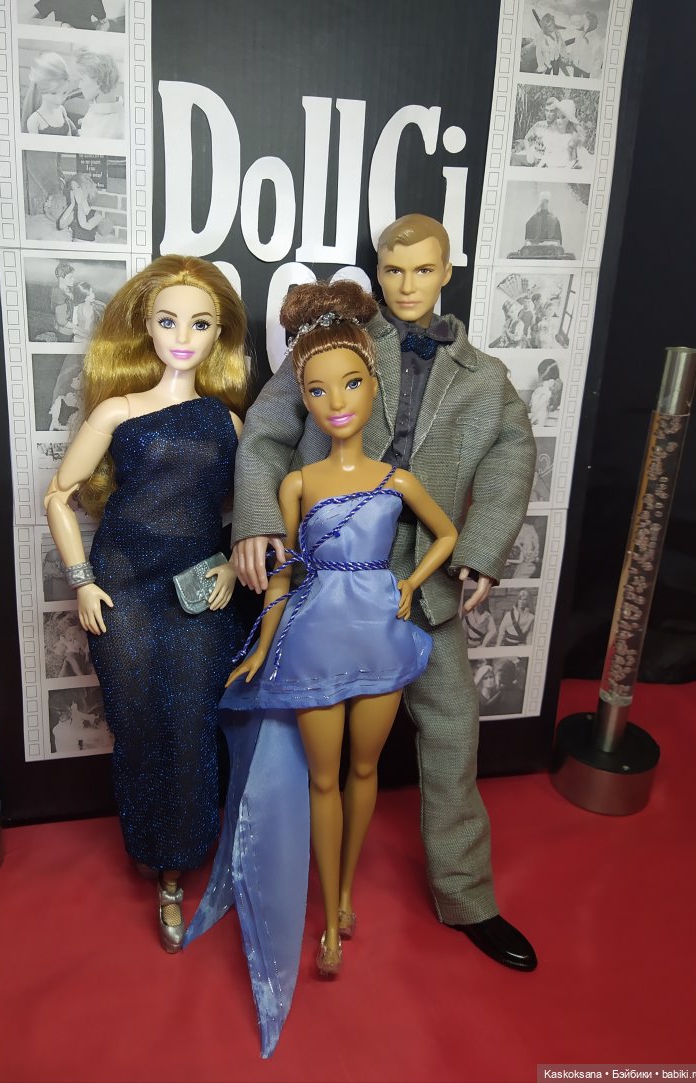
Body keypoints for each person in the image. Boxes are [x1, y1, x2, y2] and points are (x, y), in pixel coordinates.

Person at [228, 213, 538, 974]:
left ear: (447, 273)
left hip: (421, 586)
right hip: (329, 583)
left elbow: (512, 455)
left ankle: (467, 895)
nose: (406, 285)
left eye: (423, 270)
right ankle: (283, 883)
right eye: (393, 270)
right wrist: (259, 521)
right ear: (378, 272)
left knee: (454, 727)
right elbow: (265, 433)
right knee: (306, 749)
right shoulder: (342, 342)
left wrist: (481, 552)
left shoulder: (485, 378)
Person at [187, 279, 456, 1055]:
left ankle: (341, 895)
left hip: (379, 635)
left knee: (365, 769)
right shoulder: (297, 482)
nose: (336, 402)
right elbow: (283, 576)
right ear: (302, 394)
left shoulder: (397, 480)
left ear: (373, 386)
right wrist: (262, 646)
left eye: (350, 384)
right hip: (314, 638)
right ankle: (328, 916)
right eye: (317, 389)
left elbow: (444, 534)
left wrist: (410, 582)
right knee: (324, 778)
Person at [43, 255, 250, 953]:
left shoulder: (228, 421)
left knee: (191, 724)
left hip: (200, 589)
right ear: (147, 329)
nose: (183, 337)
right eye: (168, 321)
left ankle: (177, 867)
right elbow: (58, 495)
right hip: (123, 586)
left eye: (200, 323)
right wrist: (82, 579)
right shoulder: (119, 410)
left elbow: (255, 509)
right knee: (137, 723)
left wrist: (233, 561)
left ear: (219, 332)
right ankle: (150, 846)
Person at [21, 52, 76, 136]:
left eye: (64, 92)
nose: (60, 100)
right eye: (53, 93)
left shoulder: (62, 110)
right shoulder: (34, 120)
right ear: (40, 89)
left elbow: (70, 137)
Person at [72, 48, 124, 139]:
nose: (79, 85)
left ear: (98, 81)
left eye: (81, 79)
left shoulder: (100, 132)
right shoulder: (115, 109)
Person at [56, 173, 105, 241]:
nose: (75, 192)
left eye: (78, 188)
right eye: (73, 189)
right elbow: (61, 225)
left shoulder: (97, 215)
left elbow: (85, 225)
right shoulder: (75, 213)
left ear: (87, 189)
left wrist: (79, 204)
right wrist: (72, 204)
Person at [568, 12, 604, 78]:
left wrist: (595, 72)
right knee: (575, 80)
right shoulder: (580, 35)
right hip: (576, 64)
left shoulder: (595, 39)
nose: (582, 22)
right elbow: (575, 47)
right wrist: (571, 57)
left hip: (586, 68)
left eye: (585, 20)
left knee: (584, 81)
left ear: (591, 23)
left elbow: (599, 57)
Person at [50, 262, 76, 341]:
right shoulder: (59, 296)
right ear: (61, 278)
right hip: (64, 332)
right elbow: (61, 321)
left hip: (69, 327)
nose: (73, 279)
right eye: (70, 277)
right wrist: (78, 327)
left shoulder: (67, 288)